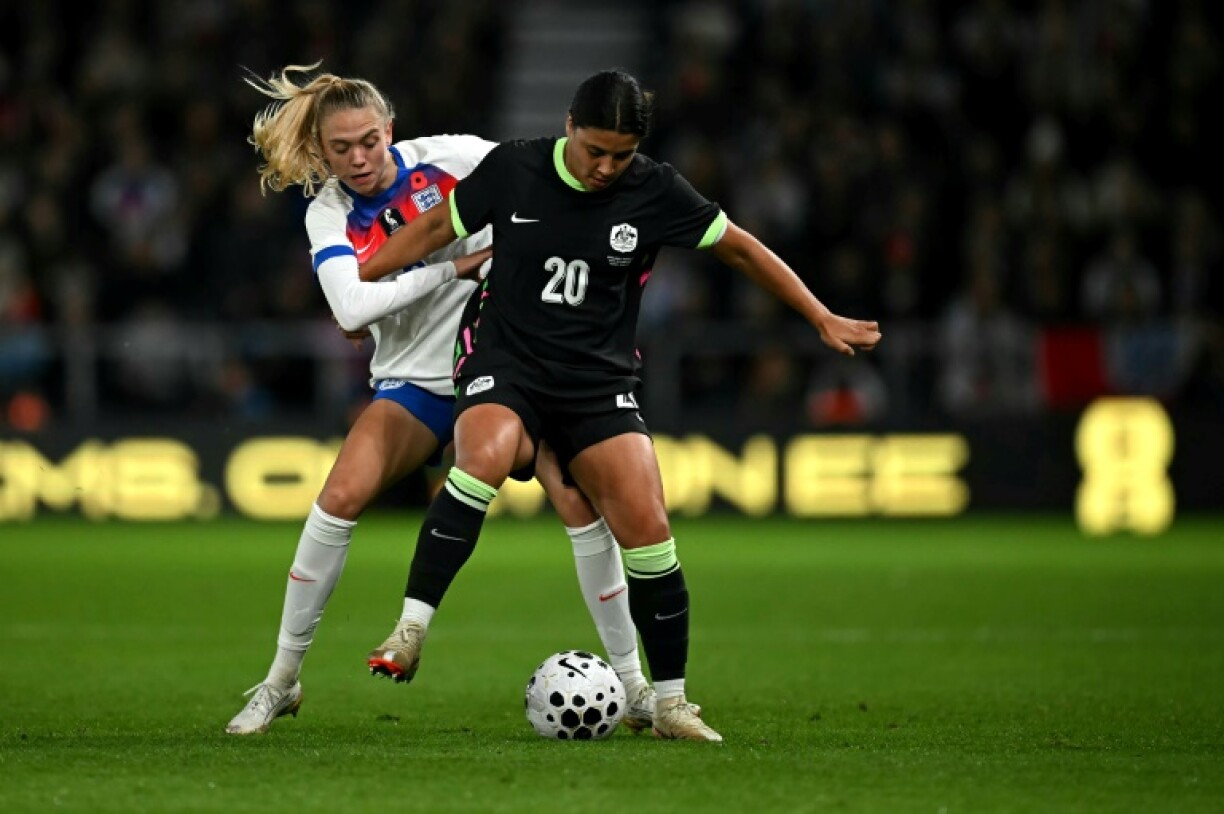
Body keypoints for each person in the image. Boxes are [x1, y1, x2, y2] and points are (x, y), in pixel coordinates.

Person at [358, 69, 882, 742]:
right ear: (570, 127)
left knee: (647, 521)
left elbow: (741, 250)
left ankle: (668, 703)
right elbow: (432, 227)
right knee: (482, 453)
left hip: (595, 381)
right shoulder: (514, 168)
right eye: (594, 150)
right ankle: (410, 629)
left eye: (621, 155)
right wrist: (365, 285)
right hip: (505, 364)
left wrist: (818, 315)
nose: (606, 167)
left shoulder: (654, 189)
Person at [225, 63, 658, 735]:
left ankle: (636, 687)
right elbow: (350, 306)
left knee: (576, 499)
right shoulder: (329, 213)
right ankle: (280, 681)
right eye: (341, 149)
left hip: (512, 365)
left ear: (390, 129)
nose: (360, 158)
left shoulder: (456, 157)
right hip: (414, 383)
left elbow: (552, 178)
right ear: (321, 153)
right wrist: (454, 266)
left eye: (369, 140)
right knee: (338, 497)